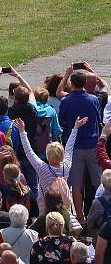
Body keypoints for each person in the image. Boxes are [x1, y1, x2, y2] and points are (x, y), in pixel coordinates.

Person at [58, 69, 102, 222]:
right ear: (85, 83)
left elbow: (62, 120)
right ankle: (100, 214)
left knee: (76, 185)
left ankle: (81, 217)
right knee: (98, 183)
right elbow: (98, 118)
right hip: (92, 145)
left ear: (71, 83)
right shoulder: (93, 99)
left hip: (75, 147)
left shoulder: (66, 101)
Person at [15, 116, 83, 212]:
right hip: (63, 206)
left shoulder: (42, 168)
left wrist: (22, 132)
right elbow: (69, 148)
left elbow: (29, 151)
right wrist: (75, 128)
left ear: (47, 155)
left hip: (45, 206)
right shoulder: (66, 166)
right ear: (62, 155)